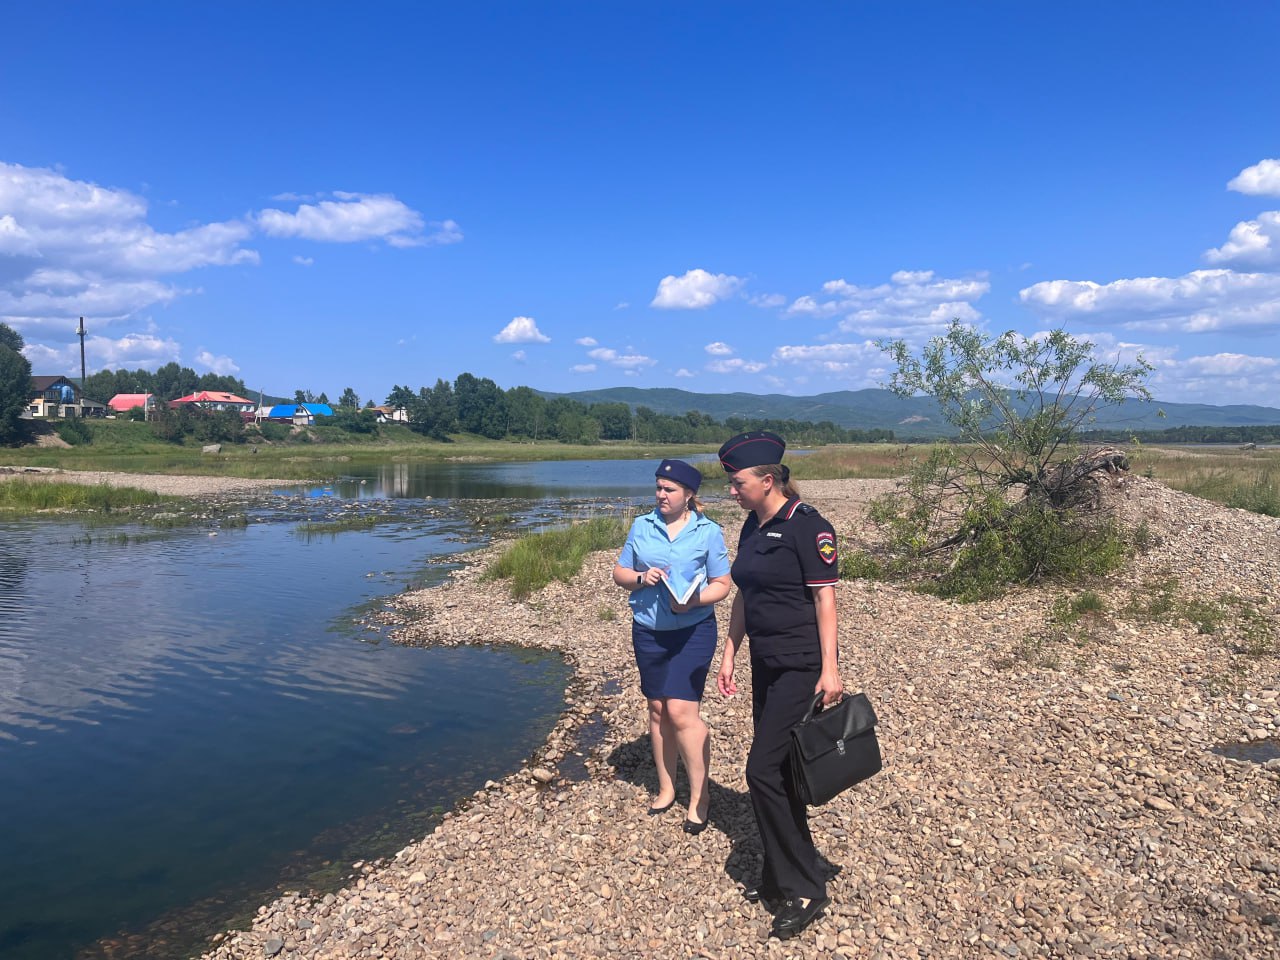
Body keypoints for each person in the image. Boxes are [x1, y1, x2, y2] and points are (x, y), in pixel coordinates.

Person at [714, 431, 843, 940]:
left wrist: (829, 671)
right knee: (783, 771)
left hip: (801, 668)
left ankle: (807, 884)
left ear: (768, 480)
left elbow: (824, 601)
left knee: (760, 771)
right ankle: (779, 869)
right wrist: (730, 653)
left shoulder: (809, 528)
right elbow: (744, 592)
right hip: (766, 664)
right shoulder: (751, 525)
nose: (731, 490)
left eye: (737, 482)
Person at [613, 458, 732, 833]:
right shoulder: (641, 525)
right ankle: (666, 788)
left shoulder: (708, 532)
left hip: (693, 632)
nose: (661, 495)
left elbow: (723, 584)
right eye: (659, 487)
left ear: (689, 495)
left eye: (670, 490)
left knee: (682, 712)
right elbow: (619, 573)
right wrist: (639, 577)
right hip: (647, 630)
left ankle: (700, 796)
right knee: (657, 708)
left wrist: (694, 601)